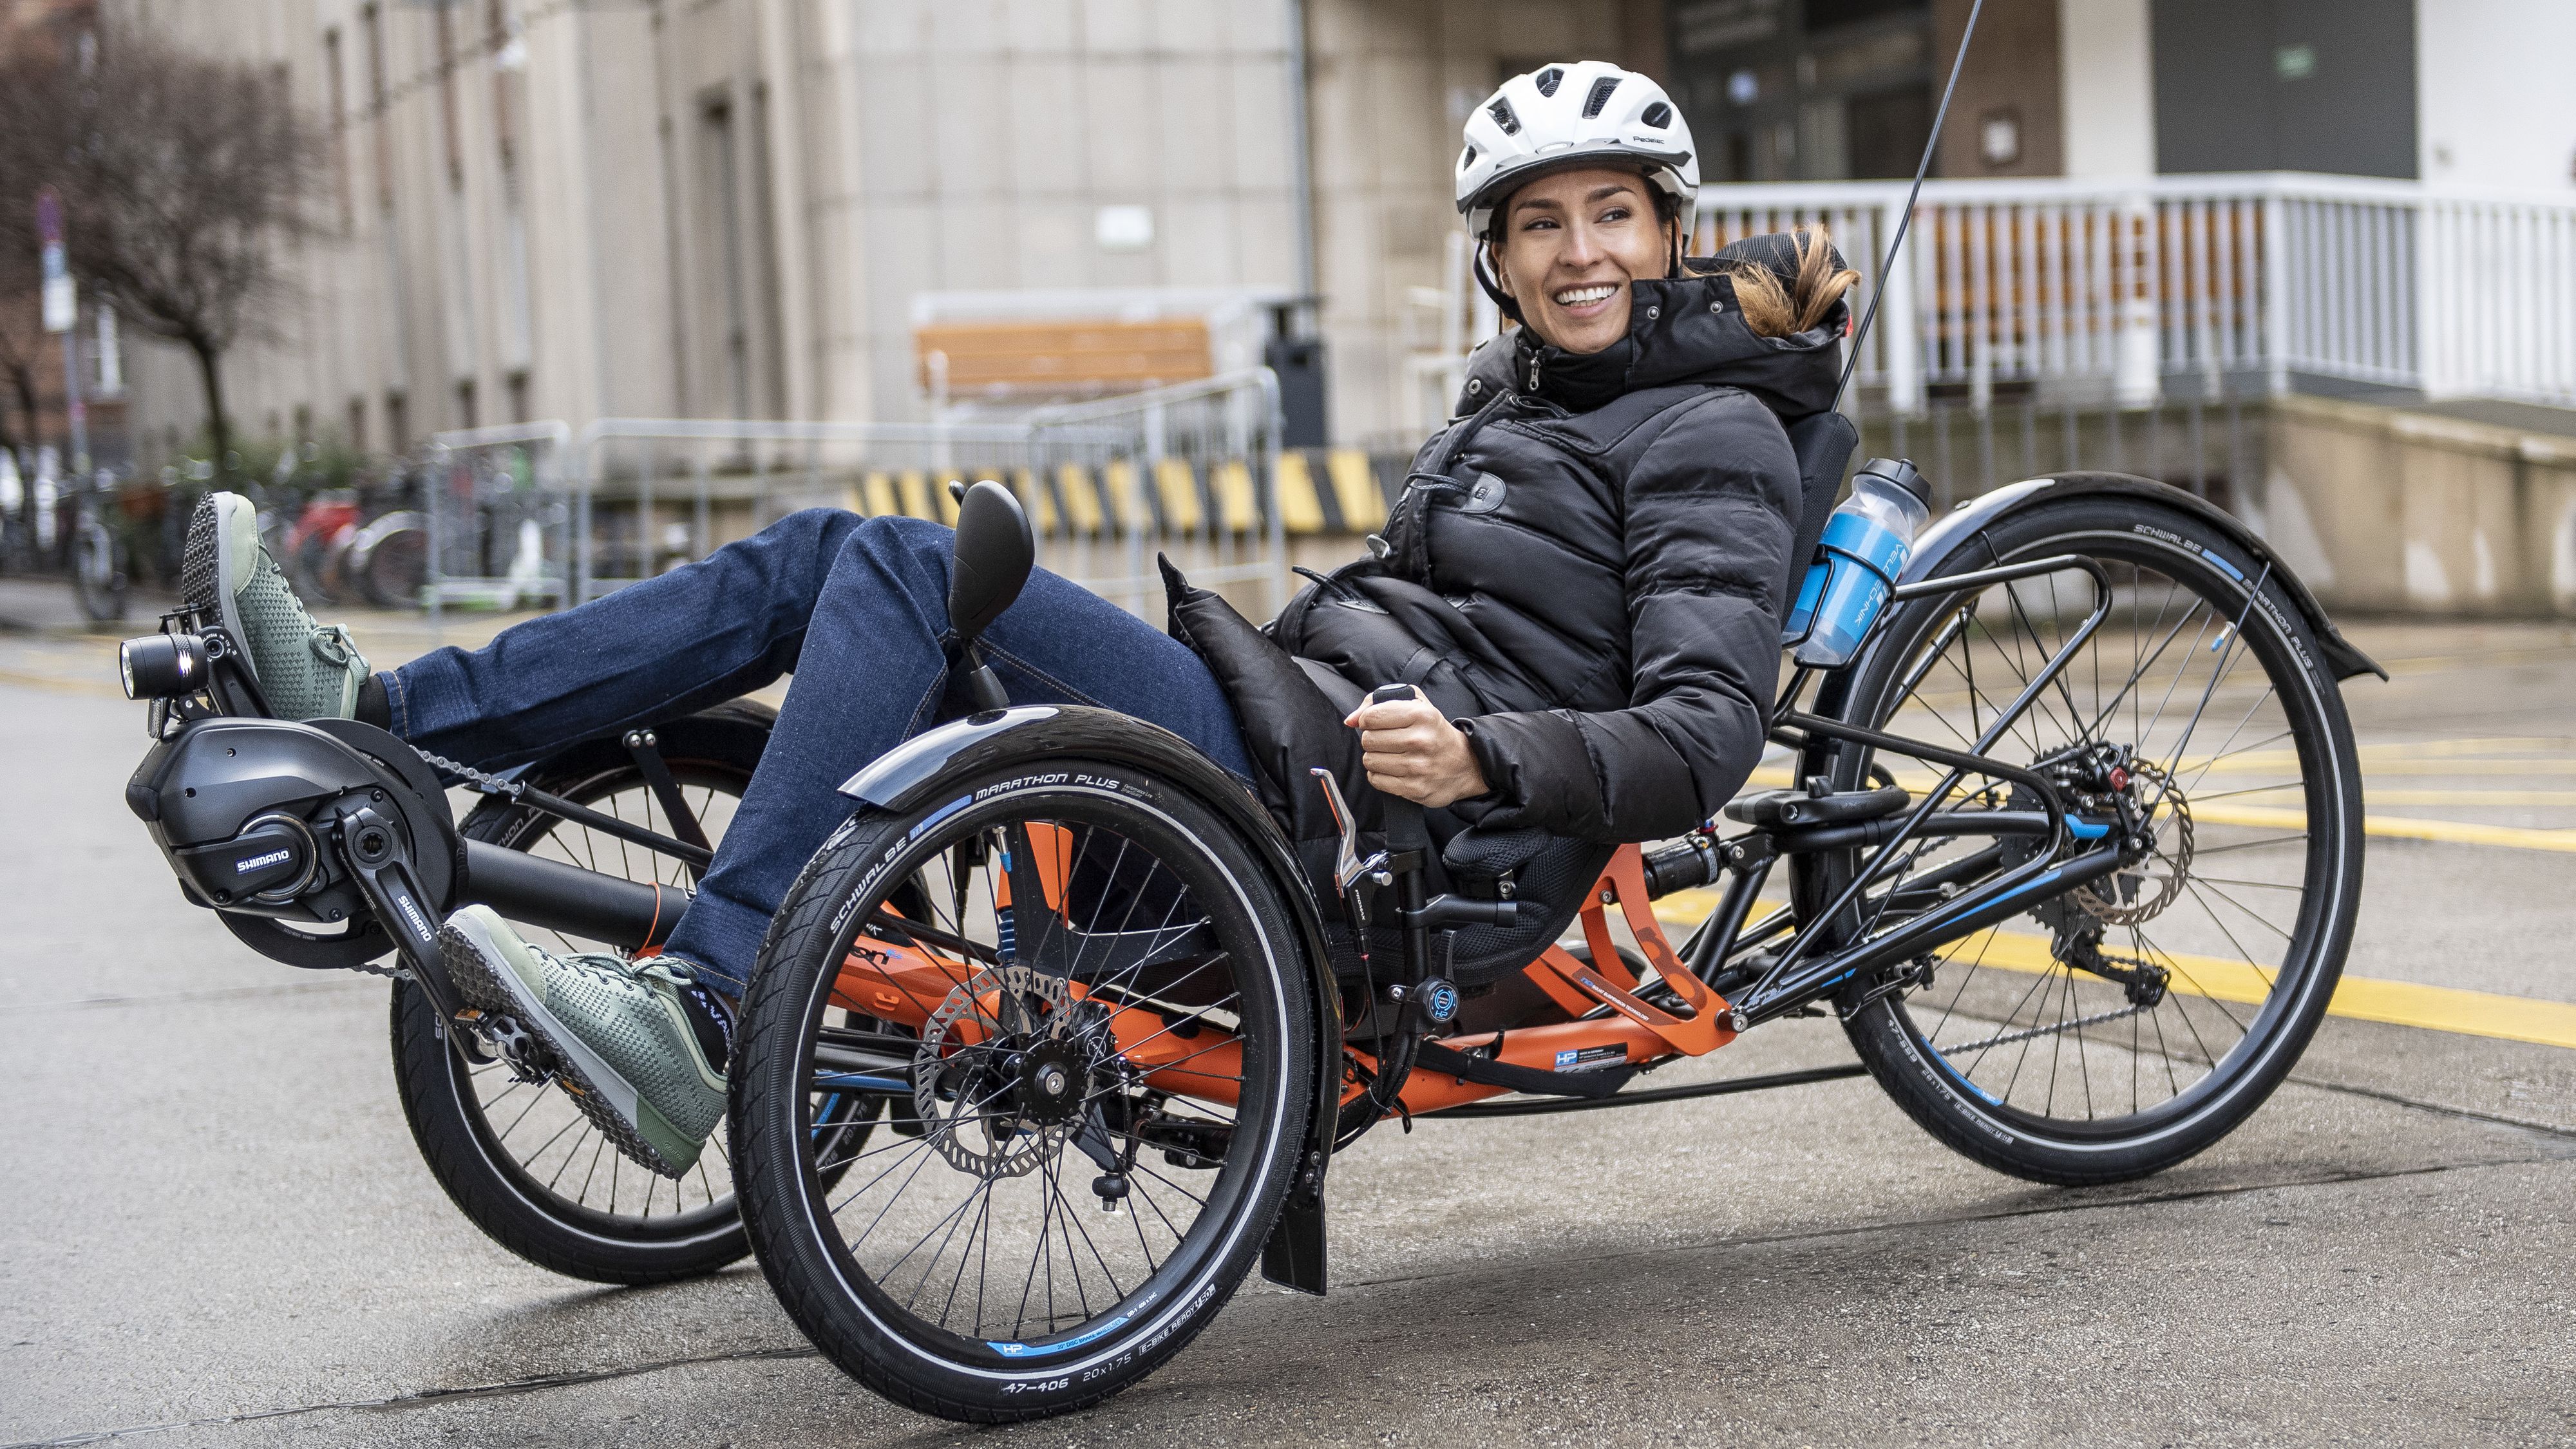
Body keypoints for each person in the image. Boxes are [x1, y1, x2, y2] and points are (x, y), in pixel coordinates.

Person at [181, 59, 1855, 1180]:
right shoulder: (1528, 401)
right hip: (1285, 734)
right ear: (1495, 259)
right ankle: (377, 727)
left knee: (909, 570)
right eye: (1538, 225)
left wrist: (1481, 751)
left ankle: (699, 1018)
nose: (1576, 254)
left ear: (1668, 230)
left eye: (1609, 216)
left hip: (1361, 829)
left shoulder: (1698, 432)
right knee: (836, 551)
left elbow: (1706, 740)